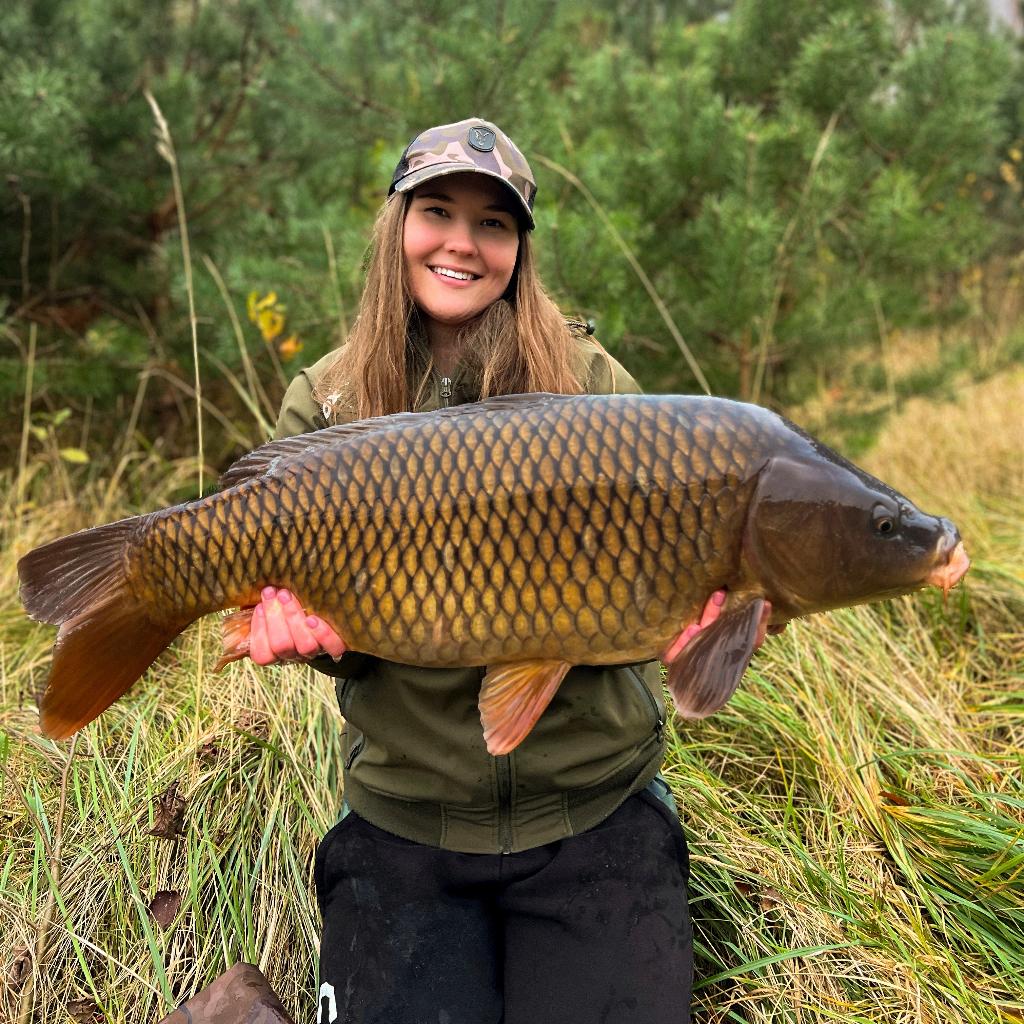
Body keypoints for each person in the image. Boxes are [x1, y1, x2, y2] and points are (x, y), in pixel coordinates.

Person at [241, 118, 771, 1024]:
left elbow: (664, 604)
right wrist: (313, 643)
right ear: (396, 226)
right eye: (437, 211)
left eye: (493, 223)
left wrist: (699, 627)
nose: (461, 242)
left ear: (520, 249)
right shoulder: (326, 401)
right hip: (404, 817)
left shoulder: (594, 385)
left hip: (595, 811)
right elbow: (344, 647)